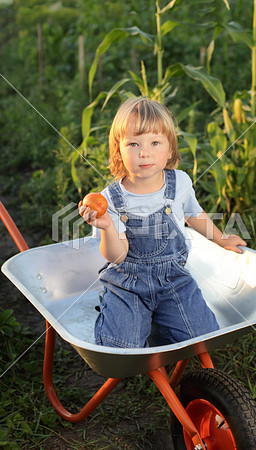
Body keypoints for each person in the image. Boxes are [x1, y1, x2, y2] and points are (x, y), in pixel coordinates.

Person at [79, 97, 246, 348]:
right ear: (118, 151)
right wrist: (108, 227)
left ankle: (159, 316)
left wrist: (221, 239)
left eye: (155, 142)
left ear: (169, 149)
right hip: (128, 285)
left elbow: (194, 215)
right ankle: (120, 310)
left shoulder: (179, 182)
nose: (144, 152)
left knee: (203, 334)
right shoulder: (109, 199)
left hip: (174, 279)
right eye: (133, 143)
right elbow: (117, 256)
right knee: (120, 344)